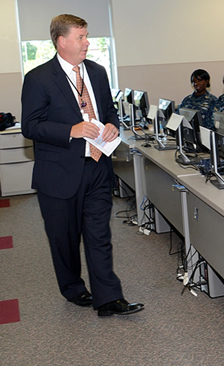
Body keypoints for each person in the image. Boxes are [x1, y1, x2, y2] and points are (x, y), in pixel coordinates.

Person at [20, 14, 143, 316]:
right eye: (81, 37)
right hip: (58, 174)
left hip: (98, 168)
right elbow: (30, 126)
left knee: (100, 236)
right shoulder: (38, 78)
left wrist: (113, 126)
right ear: (62, 42)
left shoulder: (98, 72)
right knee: (64, 239)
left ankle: (108, 298)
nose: (88, 43)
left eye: (87, 36)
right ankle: (73, 288)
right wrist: (70, 130)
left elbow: (110, 110)